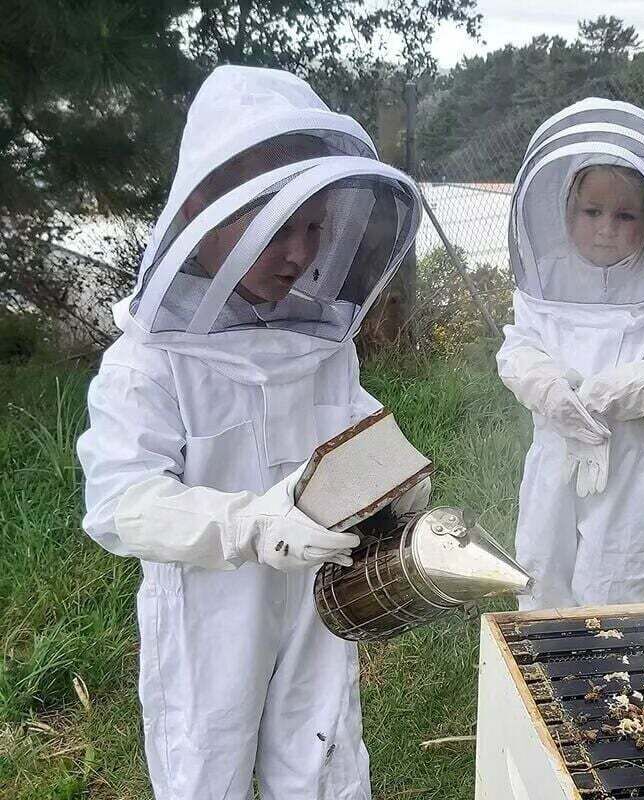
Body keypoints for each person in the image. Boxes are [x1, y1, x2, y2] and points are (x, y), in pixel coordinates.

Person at [76, 65, 428, 800]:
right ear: (204, 212)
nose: (298, 254)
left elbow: (352, 419)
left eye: (311, 228)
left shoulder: (319, 338)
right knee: (208, 771)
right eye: (274, 228)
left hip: (314, 599)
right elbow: (121, 501)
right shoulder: (149, 361)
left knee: (322, 760)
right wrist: (248, 524)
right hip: (210, 616)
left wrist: (395, 476)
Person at [497, 97, 644, 611]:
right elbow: (519, 345)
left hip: (634, 471)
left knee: (619, 589)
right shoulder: (546, 280)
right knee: (542, 575)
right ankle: (544, 679)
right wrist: (543, 384)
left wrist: (635, 386)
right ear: (565, 211)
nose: (605, 228)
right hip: (555, 460)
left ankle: (611, 681)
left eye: (625, 215)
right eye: (591, 211)